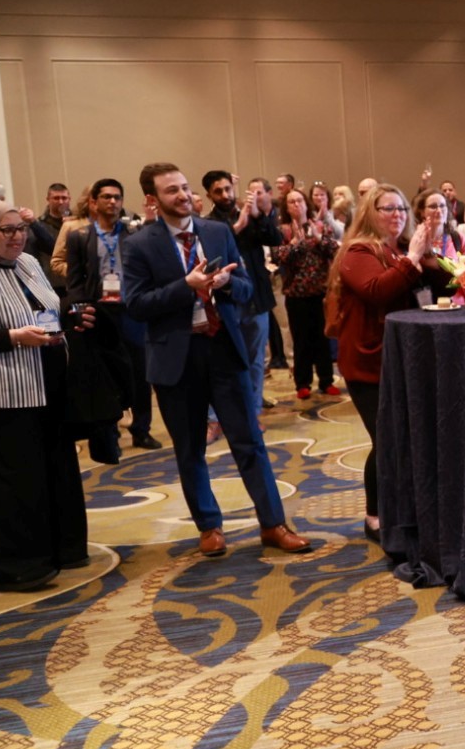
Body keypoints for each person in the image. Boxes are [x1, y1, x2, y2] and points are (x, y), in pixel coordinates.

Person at [122, 163, 312, 557]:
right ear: (153, 199)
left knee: (250, 442)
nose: (182, 195)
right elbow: (136, 305)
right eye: (171, 190)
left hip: (224, 349)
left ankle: (273, 524)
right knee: (190, 448)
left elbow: (246, 287)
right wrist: (185, 286)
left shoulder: (216, 231)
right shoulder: (140, 244)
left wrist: (226, 284)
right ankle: (209, 527)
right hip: (177, 359)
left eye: (184, 187)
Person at [0, 199, 95, 591]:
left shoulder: (26, 262)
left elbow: (44, 309)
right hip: (0, 396)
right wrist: (12, 338)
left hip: (48, 385)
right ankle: (18, 568)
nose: (17, 237)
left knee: (55, 470)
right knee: (16, 482)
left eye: (20, 229)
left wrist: (70, 317)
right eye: (5, 230)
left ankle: (64, 550)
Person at [328, 184, 431, 542]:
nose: (397, 214)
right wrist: (413, 258)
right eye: (388, 208)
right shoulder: (358, 250)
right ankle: (374, 516)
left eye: (402, 208)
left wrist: (428, 255)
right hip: (367, 362)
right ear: (370, 213)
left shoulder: (398, 249)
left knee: (403, 438)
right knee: (385, 438)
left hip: (398, 358)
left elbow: (437, 286)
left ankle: (404, 509)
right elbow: (377, 290)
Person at [64, 177, 161, 458]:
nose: (113, 202)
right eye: (106, 197)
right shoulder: (79, 236)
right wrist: (79, 312)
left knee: (140, 373)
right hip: (100, 313)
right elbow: (75, 281)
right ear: (94, 202)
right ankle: (111, 434)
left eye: (117, 197)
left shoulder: (134, 232)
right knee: (106, 376)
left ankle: (141, 429)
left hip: (132, 309)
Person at [202, 171, 283, 413]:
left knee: (256, 360)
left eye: (228, 189)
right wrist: (236, 228)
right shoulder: (208, 224)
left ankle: (253, 410)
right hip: (228, 301)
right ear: (209, 195)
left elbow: (275, 238)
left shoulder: (250, 214)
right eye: (218, 191)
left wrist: (257, 216)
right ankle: (225, 413)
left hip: (257, 298)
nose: (225, 195)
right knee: (228, 360)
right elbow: (212, 256)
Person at [276, 188, 340, 400]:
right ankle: (302, 383)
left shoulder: (320, 226)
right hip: (296, 293)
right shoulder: (283, 231)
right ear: (286, 207)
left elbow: (335, 250)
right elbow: (279, 257)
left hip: (320, 292)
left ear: (306, 204)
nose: (297, 205)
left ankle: (326, 380)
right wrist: (295, 243)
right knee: (301, 341)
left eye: (300, 201)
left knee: (322, 338)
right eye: (292, 202)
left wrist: (319, 238)